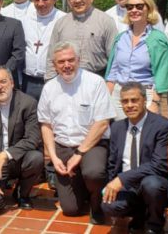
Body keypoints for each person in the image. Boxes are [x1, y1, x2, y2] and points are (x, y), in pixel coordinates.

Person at [39, 41, 117, 224]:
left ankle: (97, 203)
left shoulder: (95, 82)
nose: (66, 65)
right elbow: (46, 125)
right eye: (61, 62)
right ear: (54, 65)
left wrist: (79, 153)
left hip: (92, 145)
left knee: (94, 173)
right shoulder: (49, 88)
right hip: (63, 146)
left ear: (78, 60)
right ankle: (83, 188)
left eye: (71, 60)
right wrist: (53, 157)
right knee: (70, 209)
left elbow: (102, 123)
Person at [101, 82, 168, 234]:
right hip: (128, 185)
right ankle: (139, 214)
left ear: (144, 100)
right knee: (108, 205)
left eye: (134, 100)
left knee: (151, 185)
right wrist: (110, 184)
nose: (129, 105)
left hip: (153, 180)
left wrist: (121, 179)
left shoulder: (162, 125)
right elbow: (113, 162)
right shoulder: (117, 127)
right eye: (125, 101)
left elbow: (158, 165)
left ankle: (155, 225)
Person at [0, 66, 43, 215]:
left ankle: (22, 193)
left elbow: (32, 138)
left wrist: (5, 154)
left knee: (36, 158)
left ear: (12, 82)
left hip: (18, 160)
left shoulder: (28, 103)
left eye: (3, 81)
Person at [104, 0, 168, 119]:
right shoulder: (121, 38)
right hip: (119, 95)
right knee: (120, 130)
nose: (134, 10)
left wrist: (155, 102)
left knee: (144, 131)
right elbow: (113, 73)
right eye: (129, 7)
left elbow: (162, 74)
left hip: (145, 95)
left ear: (148, 8)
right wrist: (105, 98)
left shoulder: (157, 39)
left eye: (139, 6)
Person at [45, 0, 119, 79]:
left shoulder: (106, 21)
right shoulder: (61, 23)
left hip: (97, 78)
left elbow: (115, 58)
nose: (77, 0)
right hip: (66, 79)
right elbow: (51, 57)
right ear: (68, 0)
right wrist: (50, 81)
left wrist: (111, 83)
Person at [22, 0, 66, 100]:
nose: (40, 3)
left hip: (55, 80)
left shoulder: (63, 19)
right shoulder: (25, 19)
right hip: (28, 80)